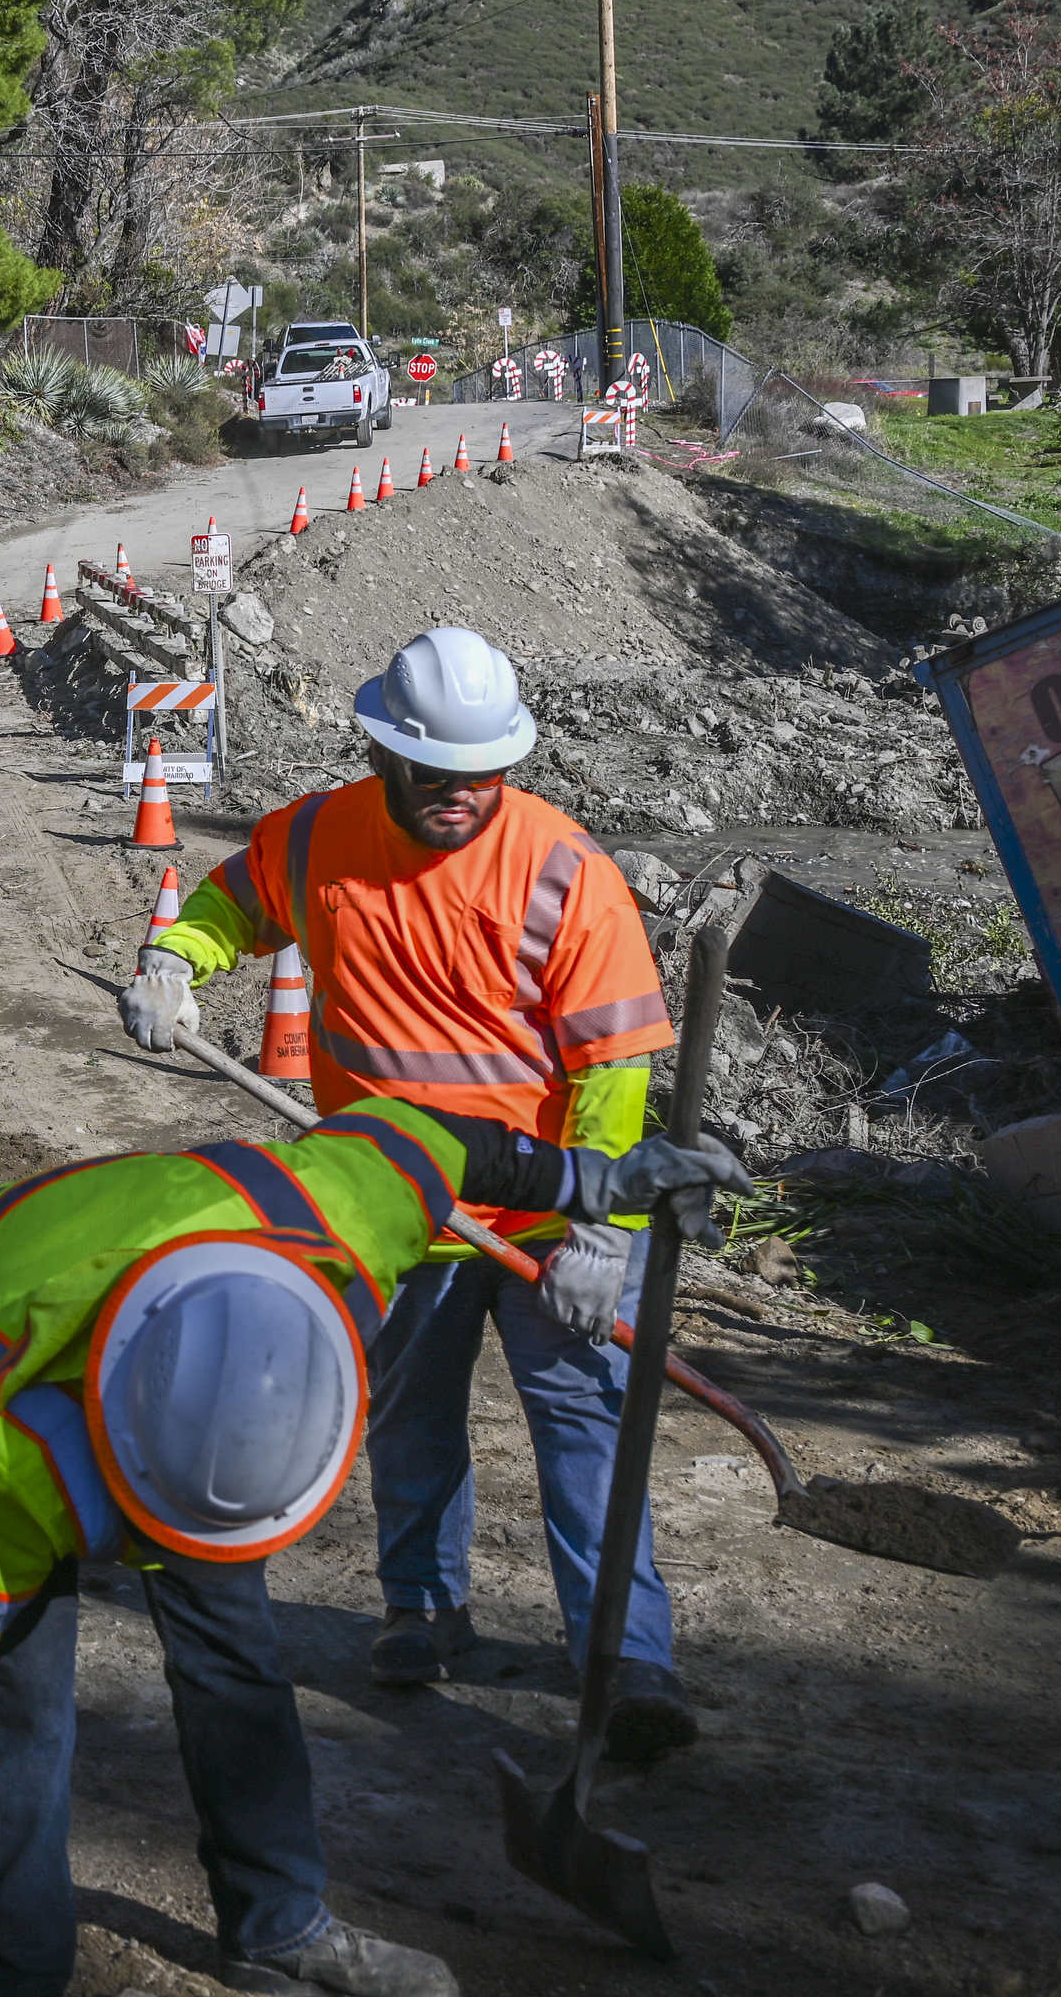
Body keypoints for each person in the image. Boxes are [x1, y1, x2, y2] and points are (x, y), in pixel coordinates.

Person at [0, 1096, 744, 1997]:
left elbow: (446, 1139)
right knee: (18, 1698)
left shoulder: (346, 1212)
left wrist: (600, 1181)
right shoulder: (7, 1449)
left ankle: (276, 1924)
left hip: (171, 1320)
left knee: (231, 1640)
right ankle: (15, 1986)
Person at [119, 625, 696, 1759]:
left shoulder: (562, 866)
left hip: (539, 1213)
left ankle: (626, 1654)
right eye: (436, 776)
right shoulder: (320, 836)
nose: (461, 797)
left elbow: (612, 1067)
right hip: (391, 1198)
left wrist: (597, 1228)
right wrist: (175, 959)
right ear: (383, 752)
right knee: (407, 1415)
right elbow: (233, 904)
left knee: (585, 1426)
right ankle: (422, 1606)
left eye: (484, 775)